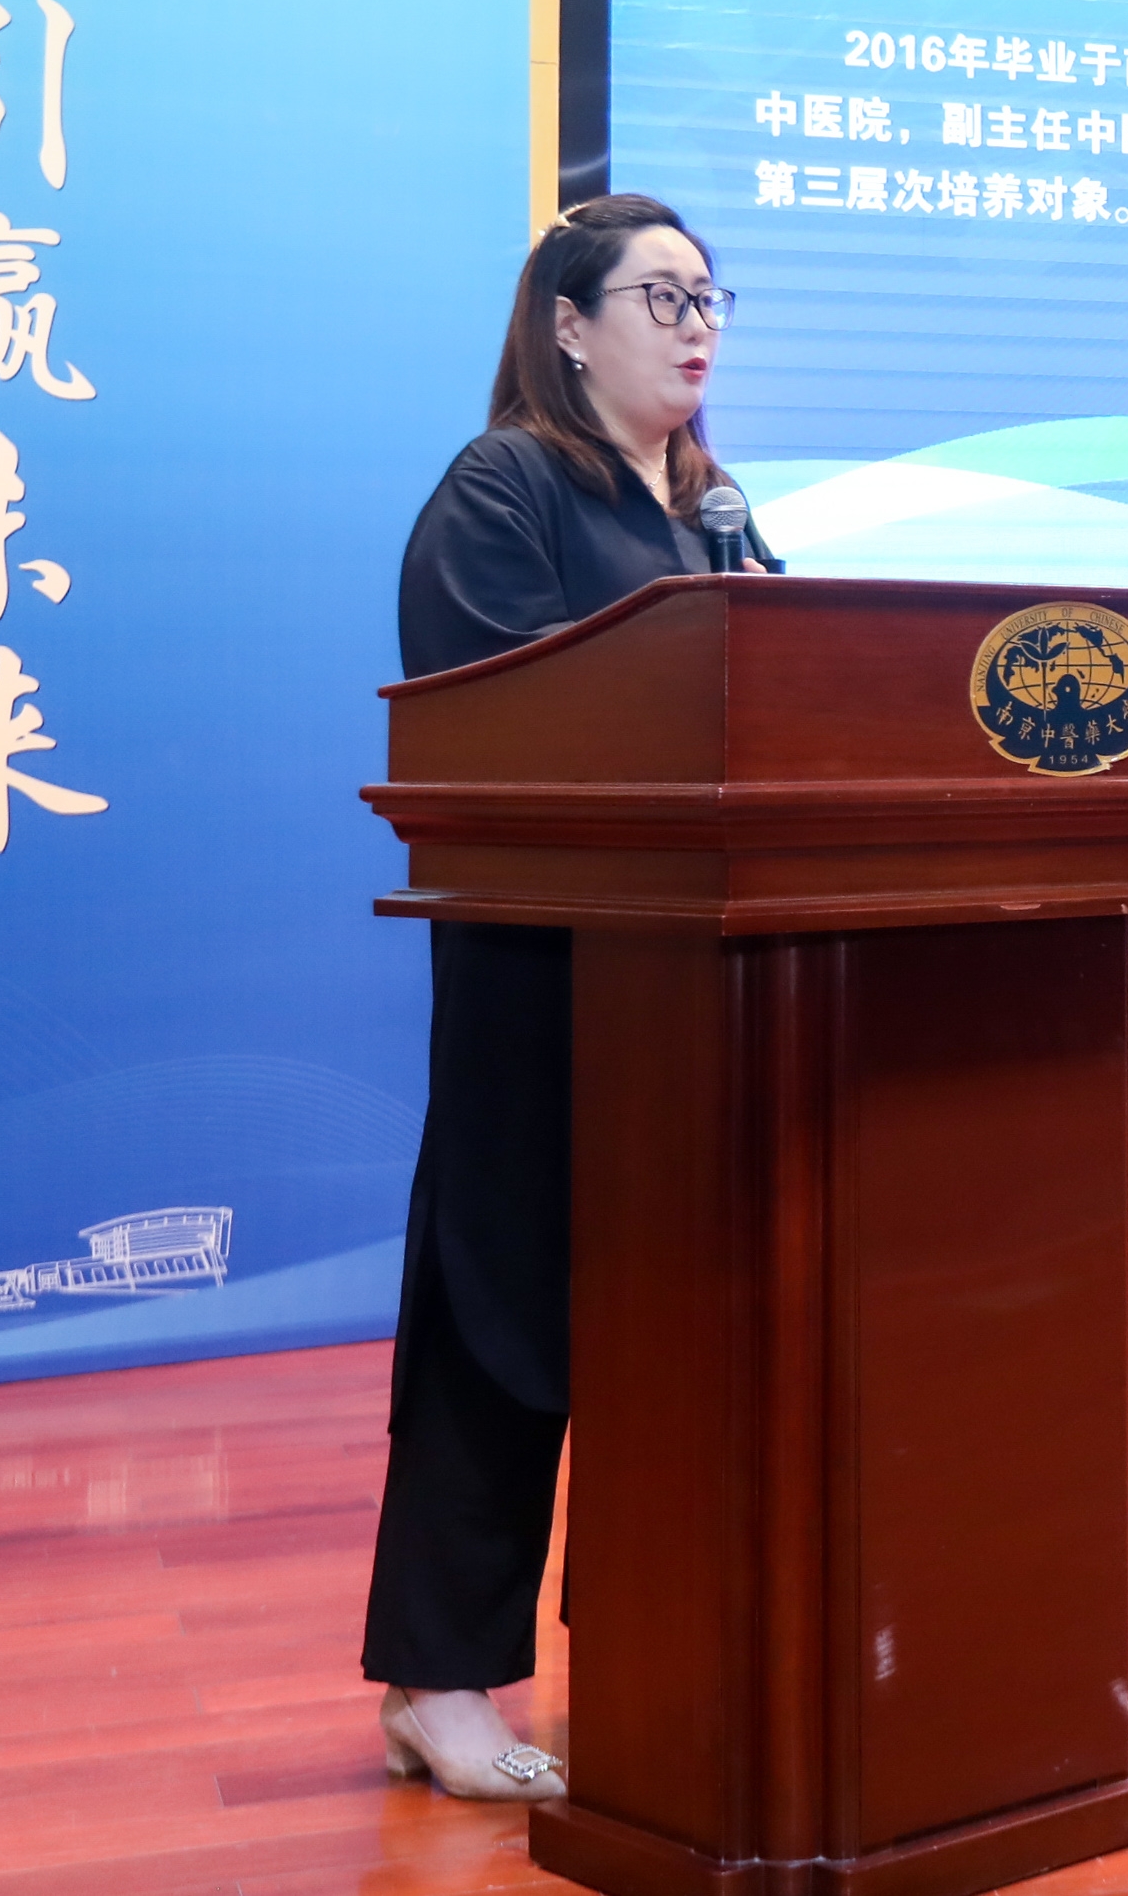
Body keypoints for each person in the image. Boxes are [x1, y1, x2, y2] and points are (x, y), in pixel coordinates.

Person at [366, 193, 773, 1801]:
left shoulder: (715, 513)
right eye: (662, 295)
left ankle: (655, 1636)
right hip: (549, 977)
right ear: (567, 322)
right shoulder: (506, 486)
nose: (697, 324)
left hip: (696, 993)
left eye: (710, 296)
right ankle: (438, 1678)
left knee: (666, 1330)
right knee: (503, 1320)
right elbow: (509, 722)